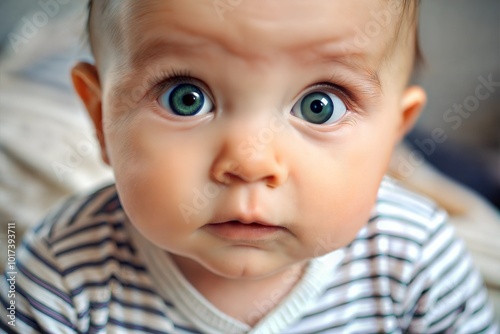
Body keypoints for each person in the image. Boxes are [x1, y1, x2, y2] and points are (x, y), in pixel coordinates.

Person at [1, 0, 497, 332]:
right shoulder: (58, 272)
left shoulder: (417, 258)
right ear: (99, 118)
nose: (251, 162)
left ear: (394, 135)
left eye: (319, 105)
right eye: (186, 97)